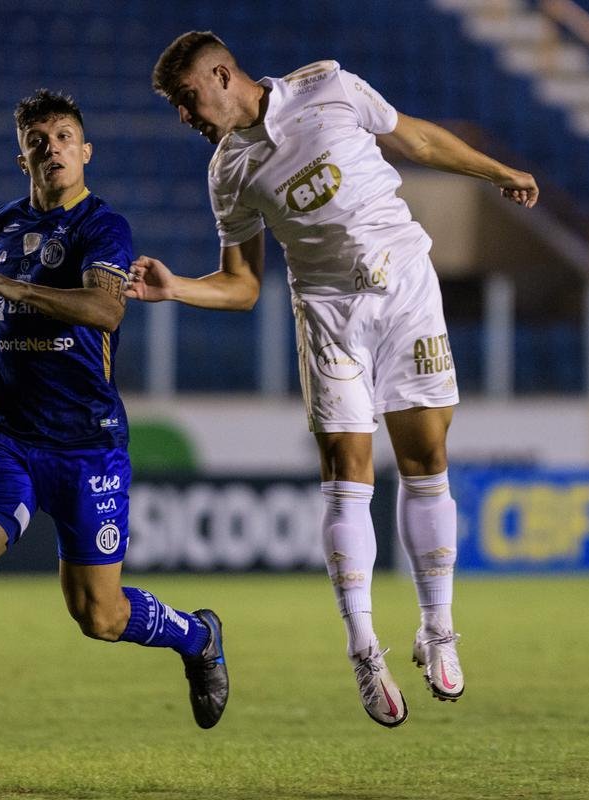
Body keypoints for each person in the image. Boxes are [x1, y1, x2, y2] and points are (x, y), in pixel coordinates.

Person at [127, 32, 538, 728]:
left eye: (188, 99)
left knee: (426, 459)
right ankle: (364, 648)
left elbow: (416, 139)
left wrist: (496, 171)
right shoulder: (227, 172)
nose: (186, 117)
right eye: (177, 107)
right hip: (327, 314)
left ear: (222, 75)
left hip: (406, 290)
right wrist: (177, 289)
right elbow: (242, 284)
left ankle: (438, 629)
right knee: (348, 474)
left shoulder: (327, 87)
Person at [0, 89, 228, 784]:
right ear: (23, 157)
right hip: (6, 431)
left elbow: (104, 308)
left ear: (85, 151)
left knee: (99, 615)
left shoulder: (104, 227)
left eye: (65, 136)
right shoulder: (3, 224)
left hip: (87, 442)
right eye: (39, 140)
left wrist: (15, 288)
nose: (53, 148)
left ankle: (199, 637)